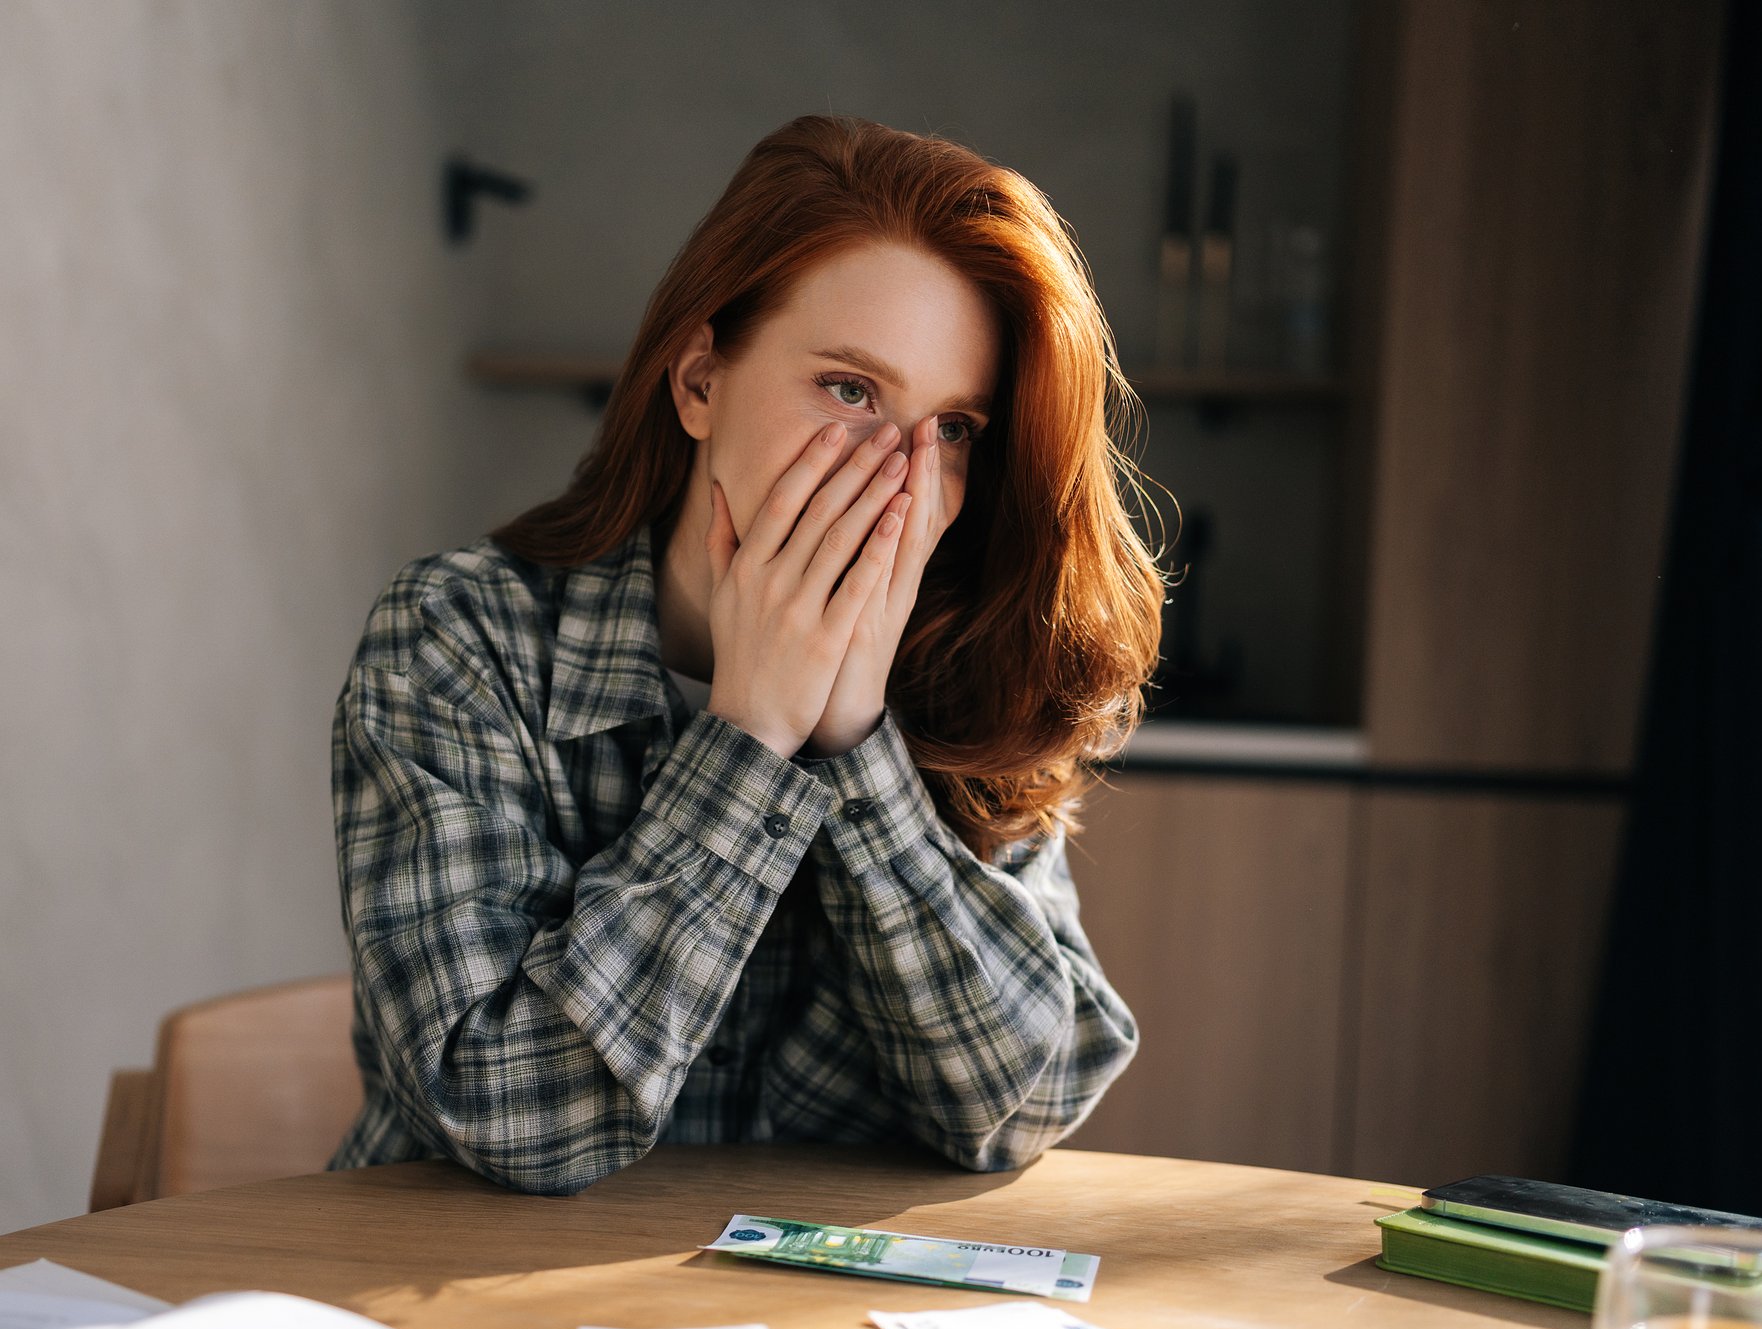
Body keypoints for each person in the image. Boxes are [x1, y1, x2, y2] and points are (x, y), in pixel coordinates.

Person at [328, 114, 1164, 1195]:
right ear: (698, 383)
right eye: (850, 390)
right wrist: (752, 739)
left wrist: (857, 743)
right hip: (449, 1316)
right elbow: (501, 1110)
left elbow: (1024, 1101)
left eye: (952, 428)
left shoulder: (965, 669)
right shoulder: (456, 638)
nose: (904, 481)